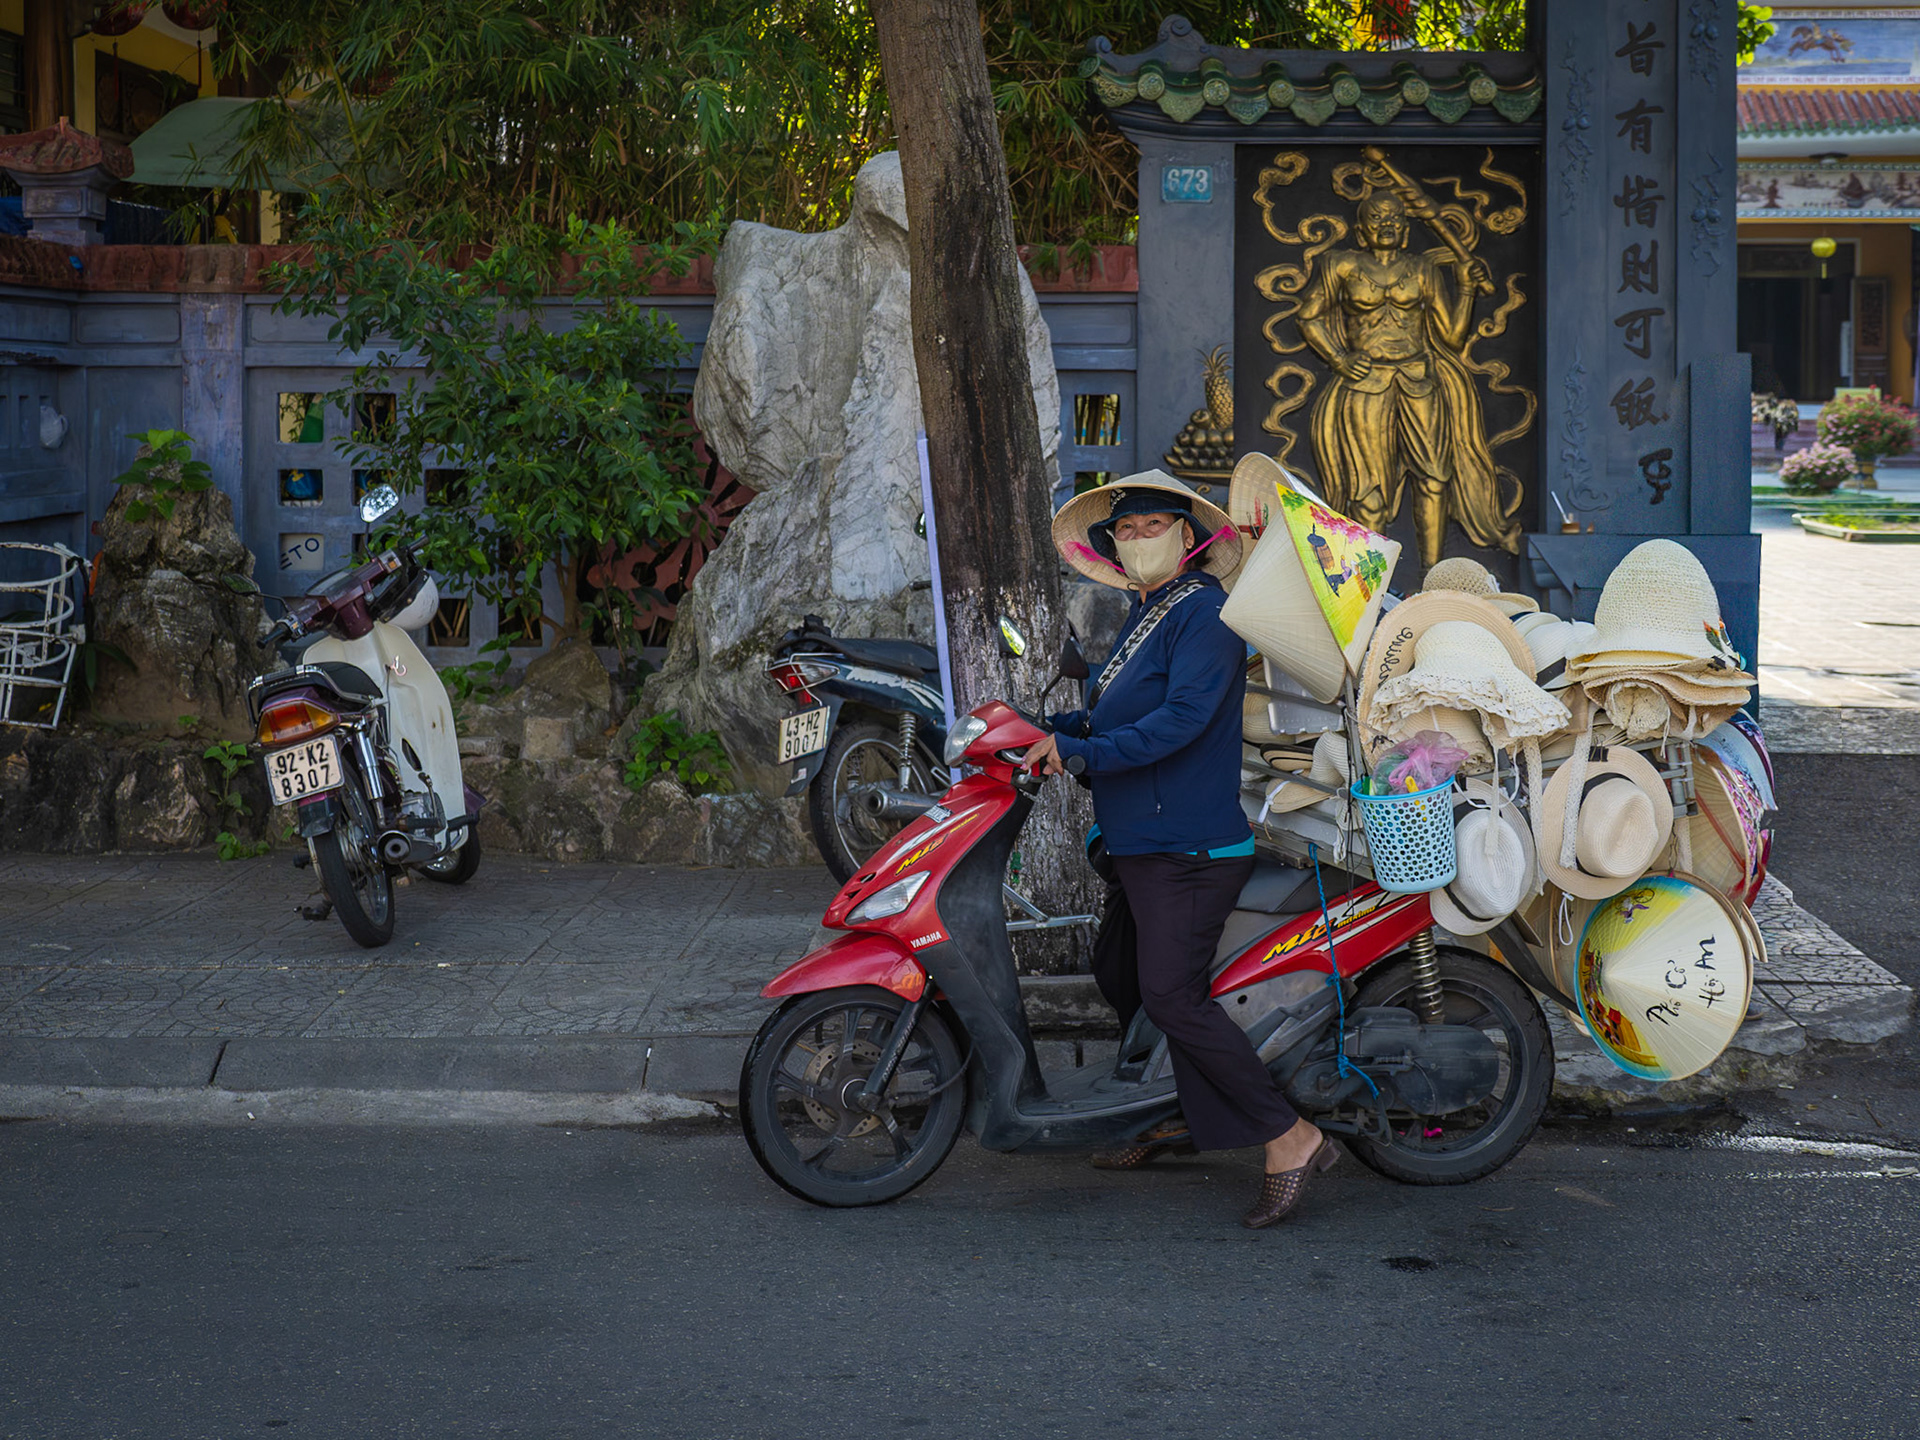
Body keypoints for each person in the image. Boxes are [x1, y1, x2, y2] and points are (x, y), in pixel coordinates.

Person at [1032, 471, 1337, 1228]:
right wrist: (1038, 730)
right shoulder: (1147, 612)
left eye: (1150, 527)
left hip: (1190, 846)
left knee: (1171, 994)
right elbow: (1107, 713)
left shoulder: (1203, 614)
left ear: (1187, 536)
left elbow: (1180, 723)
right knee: (1119, 974)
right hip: (1138, 842)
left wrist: (1079, 757)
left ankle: (1288, 1135)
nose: (1137, 541)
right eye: (1125, 532)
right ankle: (1163, 1113)